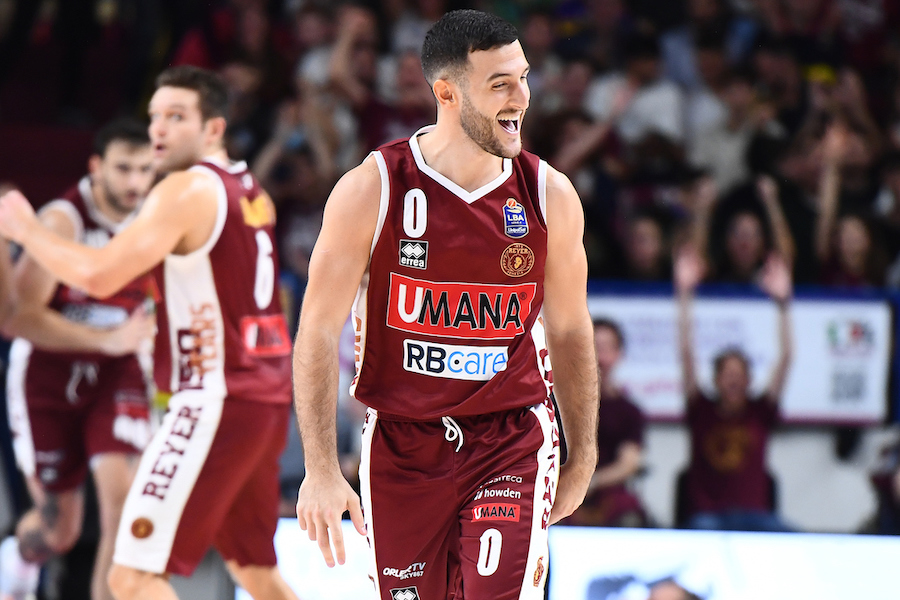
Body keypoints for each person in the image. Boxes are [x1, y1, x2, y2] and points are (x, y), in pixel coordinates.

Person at [292, 9, 599, 600]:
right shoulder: (372, 188)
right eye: (500, 84)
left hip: (510, 437)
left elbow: (569, 330)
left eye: (524, 78)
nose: (521, 98)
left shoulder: (549, 195)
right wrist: (321, 468)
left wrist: (582, 455)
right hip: (401, 442)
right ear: (447, 94)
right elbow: (317, 332)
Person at [0, 66, 299, 600]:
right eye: (155, 115)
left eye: (176, 117)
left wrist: (24, 228)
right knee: (255, 570)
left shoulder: (184, 190)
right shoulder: (250, 189)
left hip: (215, 398)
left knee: (132, 577)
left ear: (213, 128)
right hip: (264, 399)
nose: (158, 128)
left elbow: (98, 276)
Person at [0, 120, 158, 600]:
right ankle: (17, 564)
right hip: (48, 374)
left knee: (124, 509)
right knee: (59, 529)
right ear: (96, 167)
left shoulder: (157, 215)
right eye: (123, 169)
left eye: (144, 170)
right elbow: (17, 319)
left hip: (117, 372)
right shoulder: (63, 221)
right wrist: (105, 339)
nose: (135, 182)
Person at [674, 246, 793, 532]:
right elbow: (686, 353)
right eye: (727, 375)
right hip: (707, 519)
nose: (733, 381)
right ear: (715, 380)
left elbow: (786, 358)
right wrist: (684, 295)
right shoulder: (701, 409)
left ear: (750, 380)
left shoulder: (760, 412)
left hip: (756, 519)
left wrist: (783, 305)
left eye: (740, 375)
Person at [567, 318, 647, 527]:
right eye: (592, 347)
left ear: (618, 354)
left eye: (605, 349)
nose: (598, 357)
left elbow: (629, 463)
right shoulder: (561, 403)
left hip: (608, 494)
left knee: (631, 516)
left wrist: (593, 481)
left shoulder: (629, 411)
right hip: (566, 488)